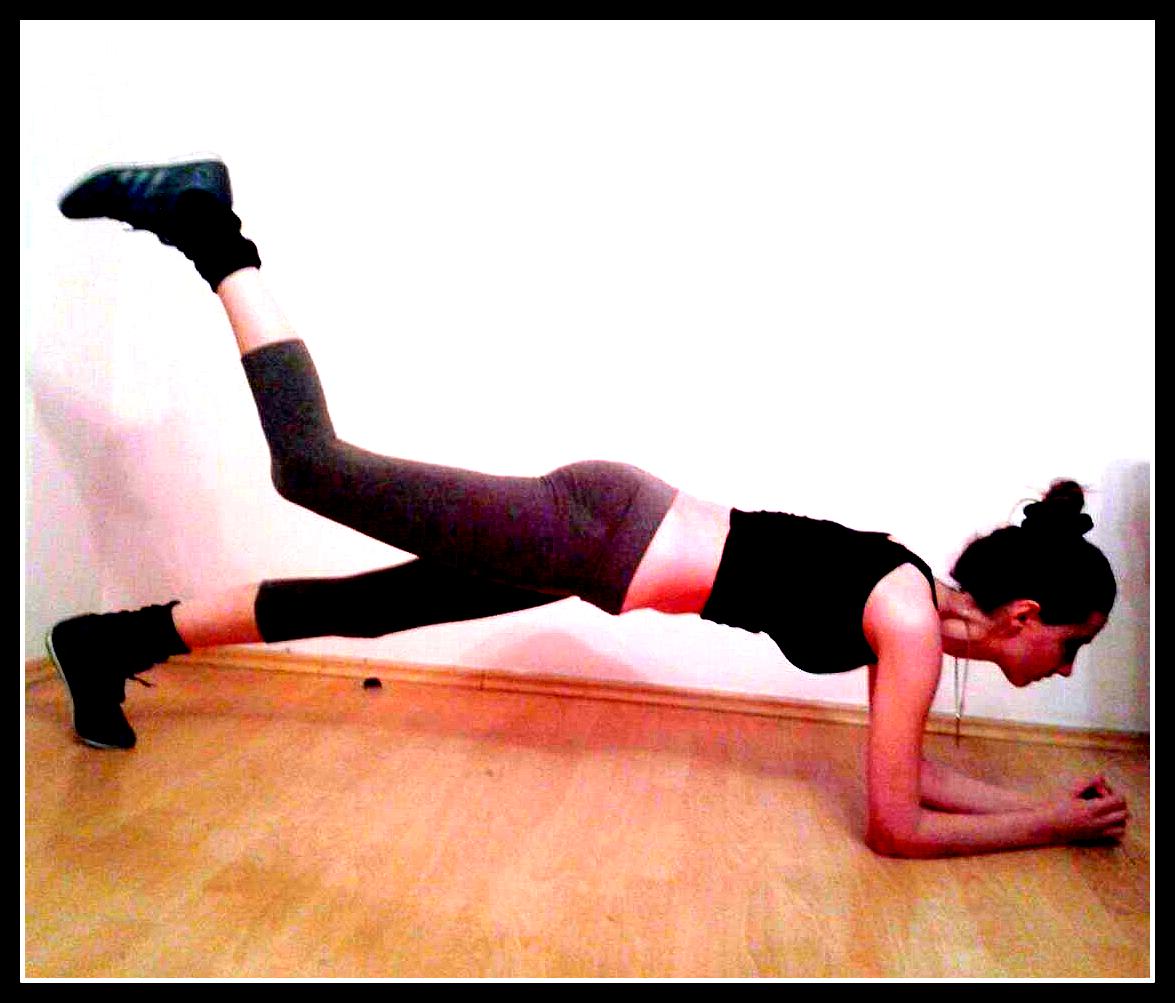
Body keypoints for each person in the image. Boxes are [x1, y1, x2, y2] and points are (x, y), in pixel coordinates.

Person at [44, 158, 1129, 859]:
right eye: (1072, 643)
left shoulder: (911, 613)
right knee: (311, 467)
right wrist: (1045, 822)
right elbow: (893, 825)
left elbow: (910, 777)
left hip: (597, 549)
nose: (1062, 667)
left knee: (365, 609)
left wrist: (1049, 809)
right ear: (1024, 614)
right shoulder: (906, 618)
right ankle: (210, 228)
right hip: (601, 532)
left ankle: (111, 641)